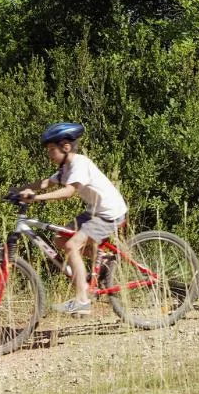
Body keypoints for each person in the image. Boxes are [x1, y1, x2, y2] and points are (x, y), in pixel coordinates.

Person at [15, 122, 128, 315]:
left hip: (109, 213)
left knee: (71, 246)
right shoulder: (64, 167)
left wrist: (36, 198)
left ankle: (83, 300)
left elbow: (68, 192)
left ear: (66, 147)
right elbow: (45, 183)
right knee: (60, 239)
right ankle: (106, 261)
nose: (49, 154)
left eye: (52, 149)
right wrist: (17, 190)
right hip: (93, 211)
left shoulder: (79, 164)